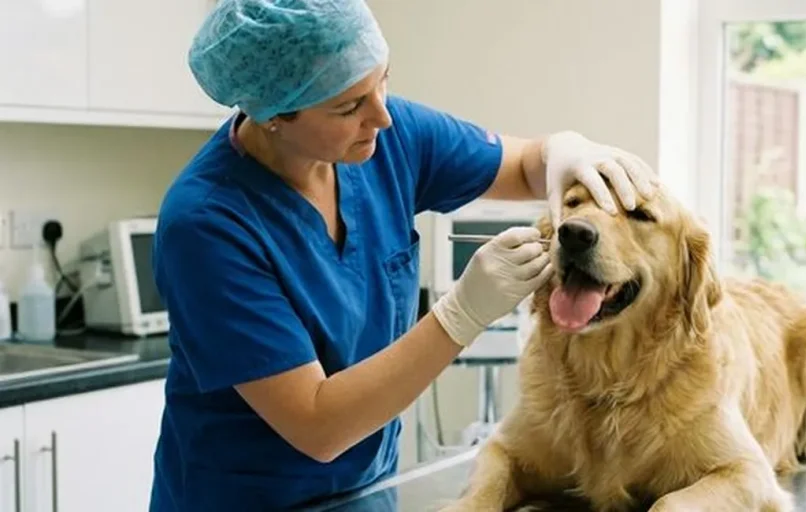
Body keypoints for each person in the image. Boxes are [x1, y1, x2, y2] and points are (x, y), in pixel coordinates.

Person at [147, 0, 658, 510]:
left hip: (367, 490)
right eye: (349, 106)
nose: (382, 116)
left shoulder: (388, 138)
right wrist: (462, 314)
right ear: (274, 115)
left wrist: (563, 153)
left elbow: (524, 165)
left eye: (383, 80)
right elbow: (317, 424)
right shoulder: (208, 224)